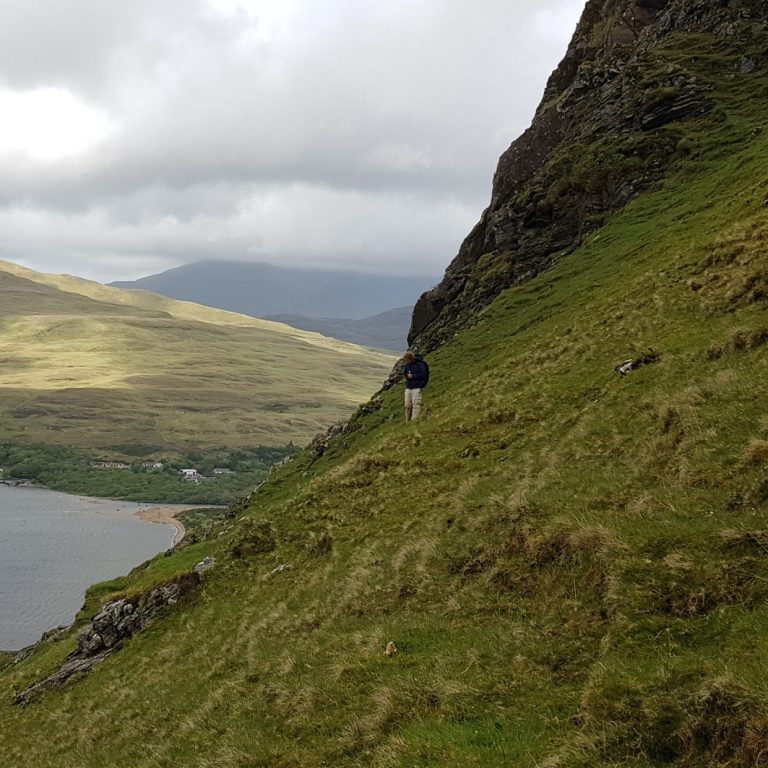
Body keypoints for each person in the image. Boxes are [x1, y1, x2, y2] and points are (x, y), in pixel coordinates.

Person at [402, 351, 429, 421]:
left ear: (410, 359)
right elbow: (405, 373)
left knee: (416, 404)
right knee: (407, 405)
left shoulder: (421, 364)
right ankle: (407, 420)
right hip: (408, 387)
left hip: (417, 387)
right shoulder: (408, 365)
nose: (406, 362)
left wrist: (413, 376)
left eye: (406, 360)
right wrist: (407, 376)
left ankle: (414, 420)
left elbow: (424, 375)